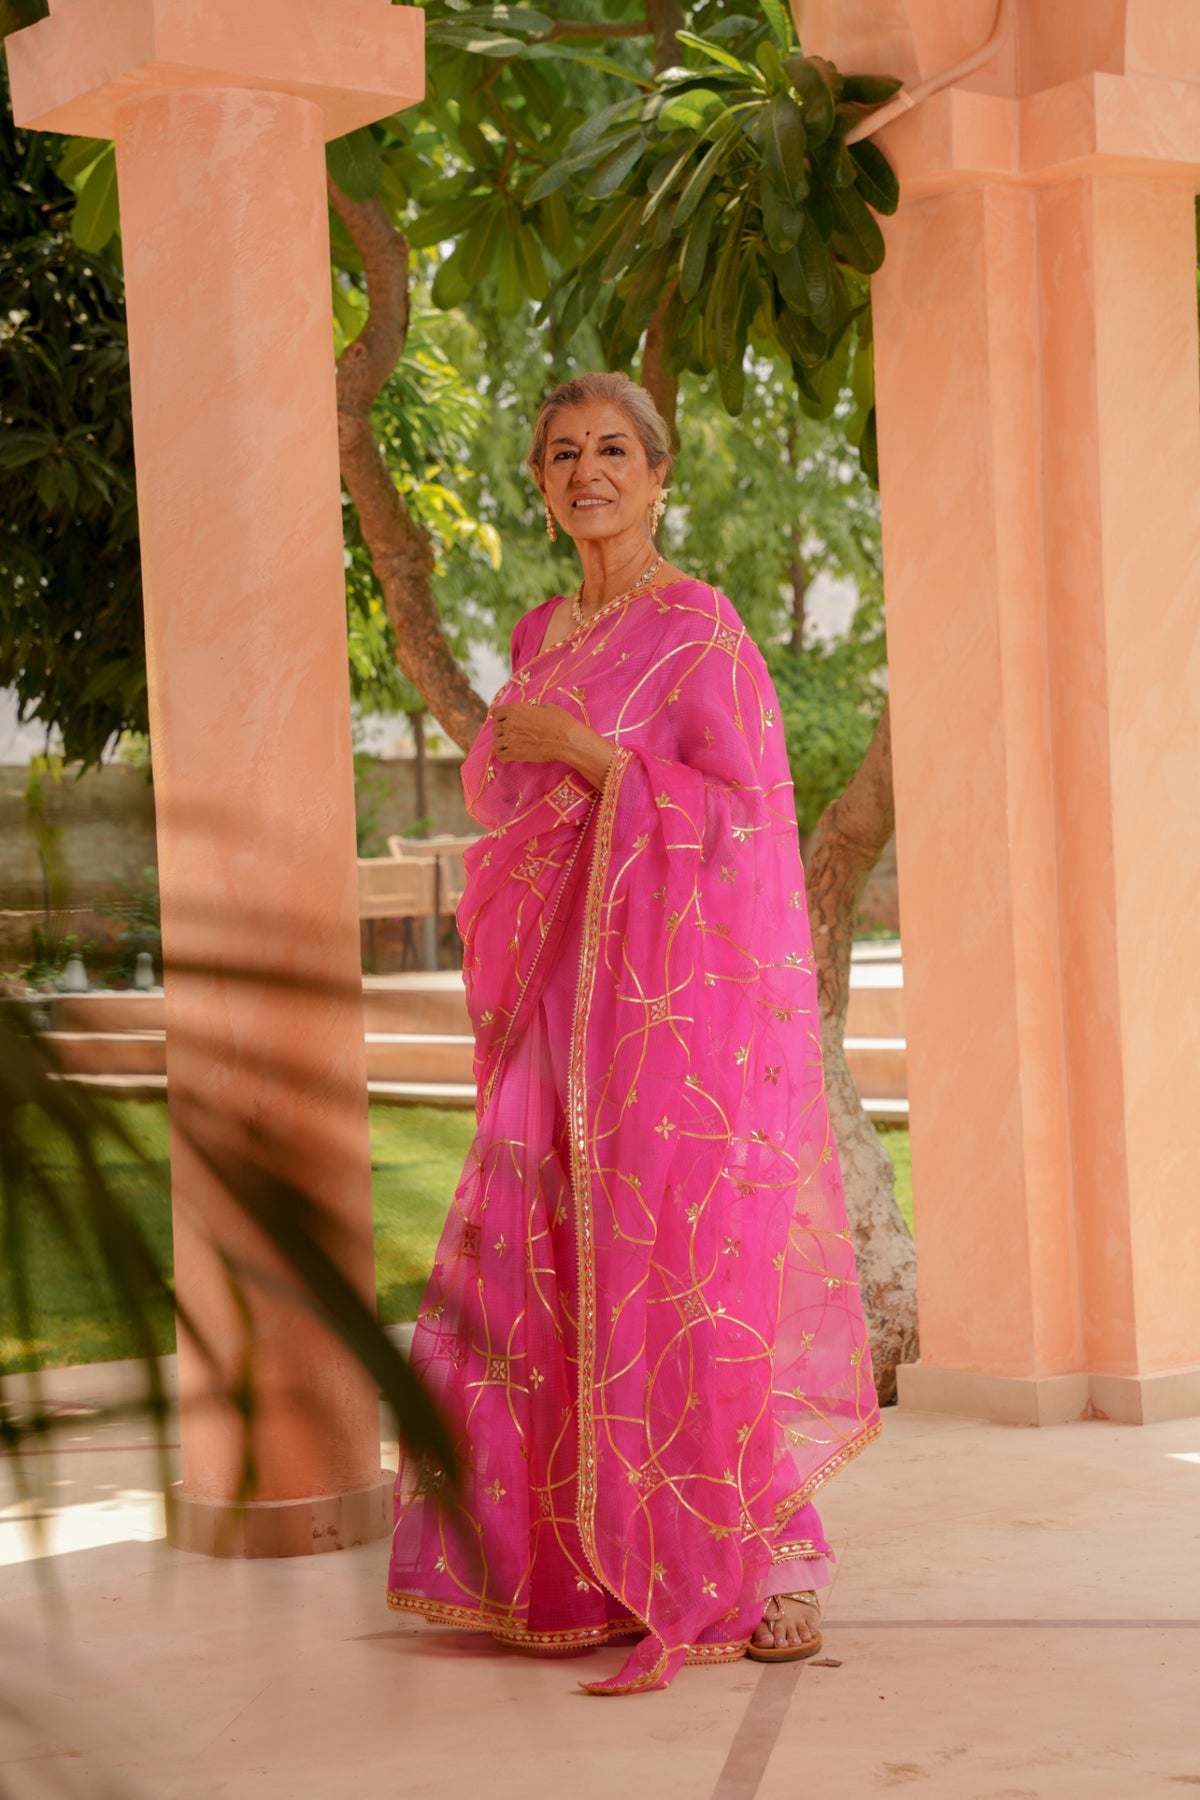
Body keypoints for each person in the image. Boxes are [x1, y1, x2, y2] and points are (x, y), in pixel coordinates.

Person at [387, 371, 880, 1696]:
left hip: (665, 1010)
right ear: (542, 488)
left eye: (613, 449)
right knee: (542, 1249)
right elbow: (508, 795)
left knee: (678, 1262)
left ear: (661, 476)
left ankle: (769, 1559)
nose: (587, 471)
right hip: (552, 993)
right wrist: (539, 749)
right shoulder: (544, 629)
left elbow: (745, 823)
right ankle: (568, 1563)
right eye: (562, 454)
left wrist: (589, 754)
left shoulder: (701, 629)